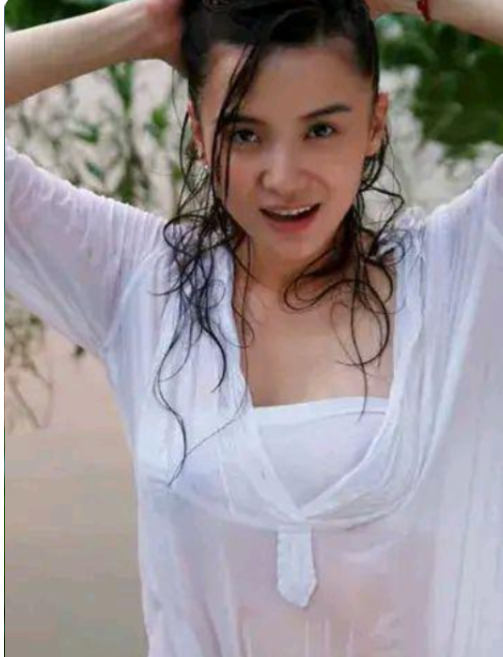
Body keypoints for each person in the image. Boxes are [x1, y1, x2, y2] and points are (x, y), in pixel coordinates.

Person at [5, 0, 502, 654]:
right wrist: (145, 24)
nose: (283, 178)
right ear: (198, 132)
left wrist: (422, 1)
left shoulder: (464, 273)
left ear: (374, 125)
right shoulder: (141, 281)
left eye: (320, 129)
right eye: (244, 134)